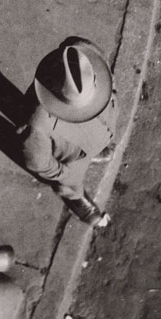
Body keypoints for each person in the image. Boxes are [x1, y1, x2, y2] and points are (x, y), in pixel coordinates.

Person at [16, 37, 118, 227]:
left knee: (94, 145)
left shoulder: (82, 54)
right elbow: (39, 162)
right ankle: (75, 199)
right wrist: (65, 173)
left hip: (96, 134)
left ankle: (93, 152)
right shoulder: (38, 124)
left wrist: (113, 92)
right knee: (71, 182)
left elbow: (104, 69)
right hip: (71, 158)